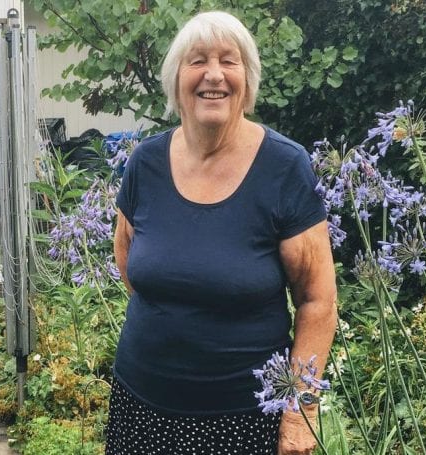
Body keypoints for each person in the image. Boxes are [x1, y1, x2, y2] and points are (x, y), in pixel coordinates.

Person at [107, 11, 337, 455]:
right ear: (176, 80)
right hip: (141, 404)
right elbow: (129, 264)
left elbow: (318, 300)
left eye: (229, 61)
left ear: (247, 82)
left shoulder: (285, 167)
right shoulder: (144, 164)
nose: (213, 75)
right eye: (197, 61)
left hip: (244, 418)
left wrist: (300, 410)